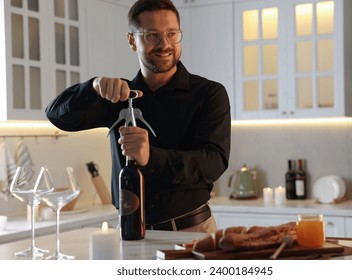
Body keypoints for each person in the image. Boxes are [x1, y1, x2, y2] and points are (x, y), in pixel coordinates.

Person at [45, 0, 230, 233]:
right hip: (128, 231)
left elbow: (213, 162)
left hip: (190, 231)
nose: (165, 44)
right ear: (132, 41)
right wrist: (92, 87)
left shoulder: (209, 94)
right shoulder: (117, 95)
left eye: (172, 33)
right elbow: (57, 116)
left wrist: (151, 157)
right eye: (152, 35)